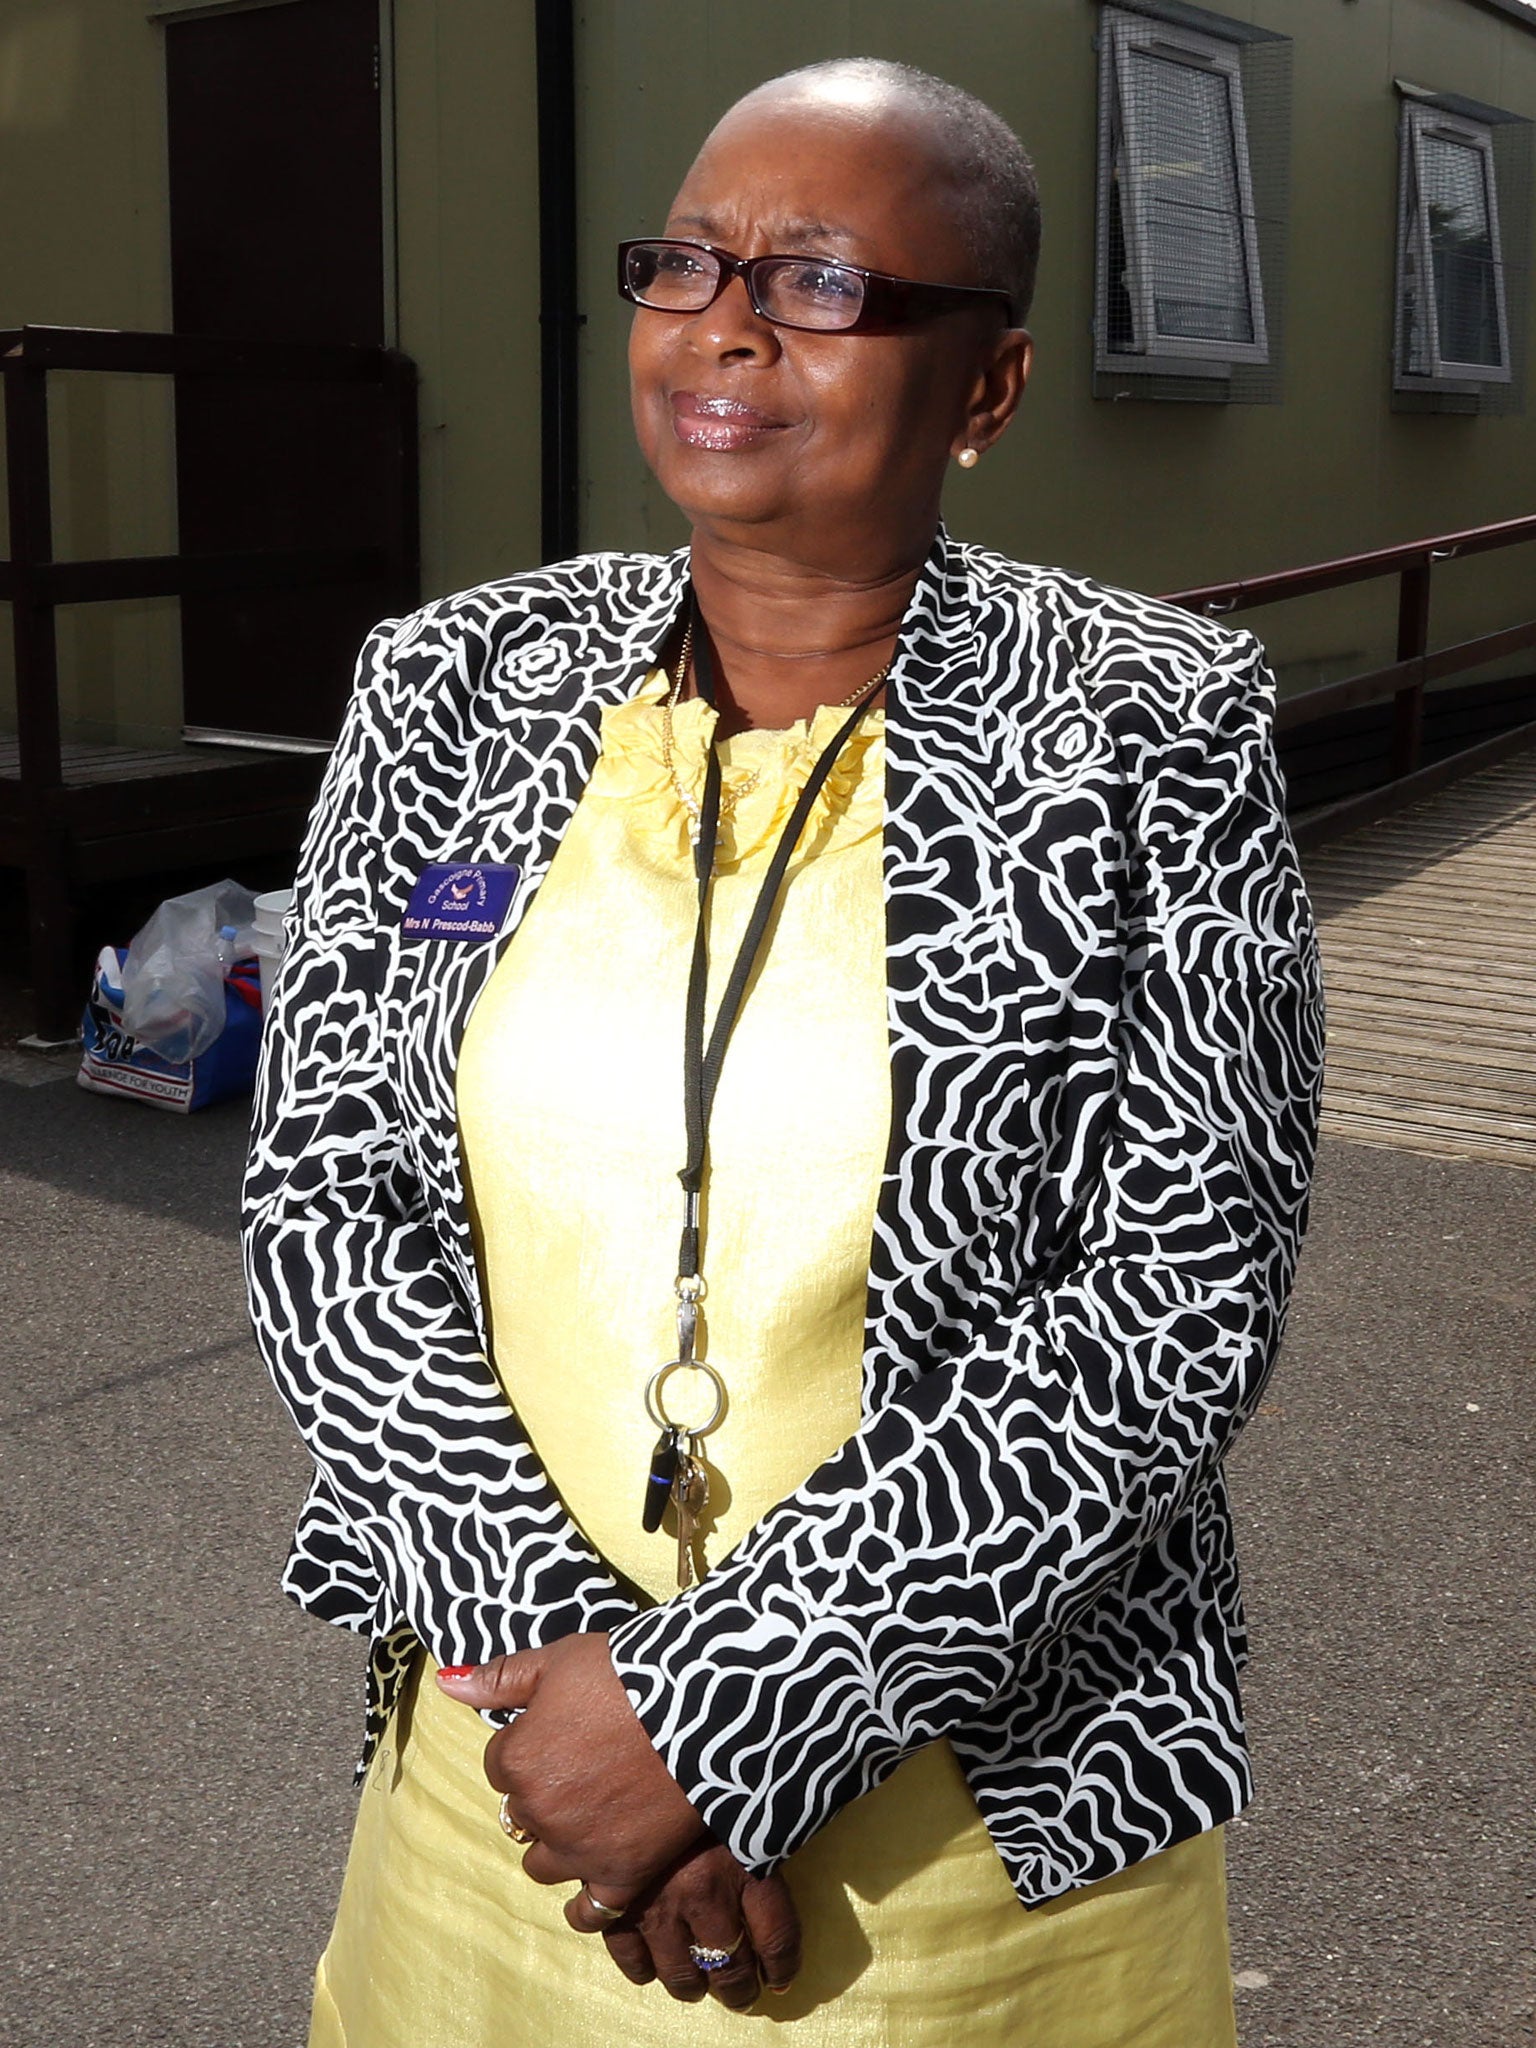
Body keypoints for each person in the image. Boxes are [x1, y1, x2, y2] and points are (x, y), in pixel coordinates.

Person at [243, 55, 1323, 2048]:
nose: (724, 323)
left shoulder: (1154, 722)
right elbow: (331, 1187)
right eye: (689, 264)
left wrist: (727, 1714)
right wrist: (568, 1683)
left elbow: (1177, 1294)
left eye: (821, 284)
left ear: (985, 389)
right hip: (509, 1801)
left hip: (975, 1850)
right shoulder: (459, 688)